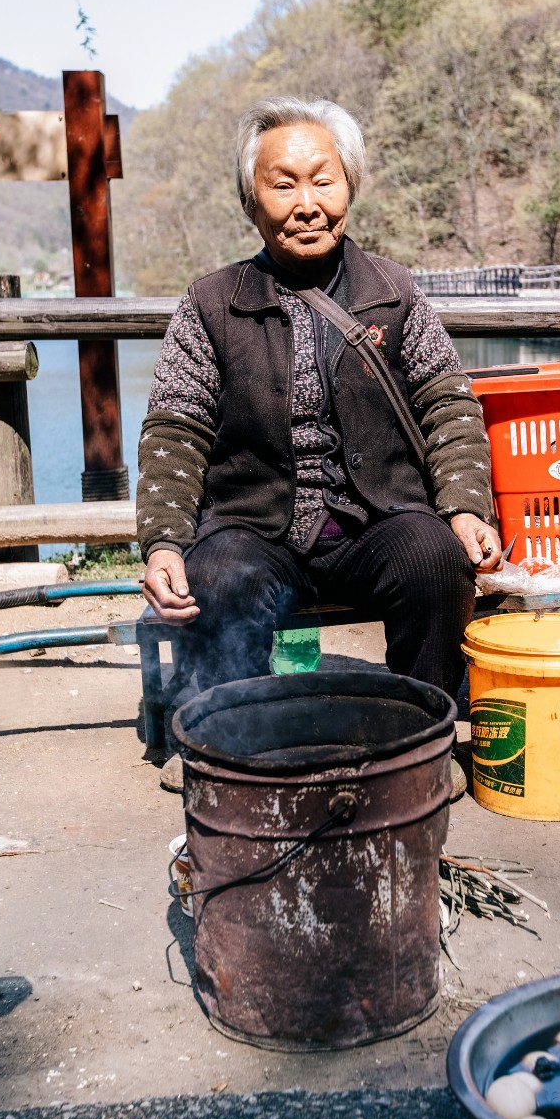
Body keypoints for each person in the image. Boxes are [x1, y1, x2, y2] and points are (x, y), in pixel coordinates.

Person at [136, 96, 503, 709]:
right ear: (251, 200)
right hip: (254, 528)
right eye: (283, 185)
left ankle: (418, 731)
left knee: (436, 560)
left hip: (376, 521)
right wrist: (165, 544)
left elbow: (450, 407)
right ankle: (232, 743)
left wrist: (465, 507)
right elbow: (175, 433)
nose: (307, 204)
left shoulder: (393, 291)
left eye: (323, 181)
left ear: (349, 186)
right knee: (218, 579)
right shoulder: (210, 304)